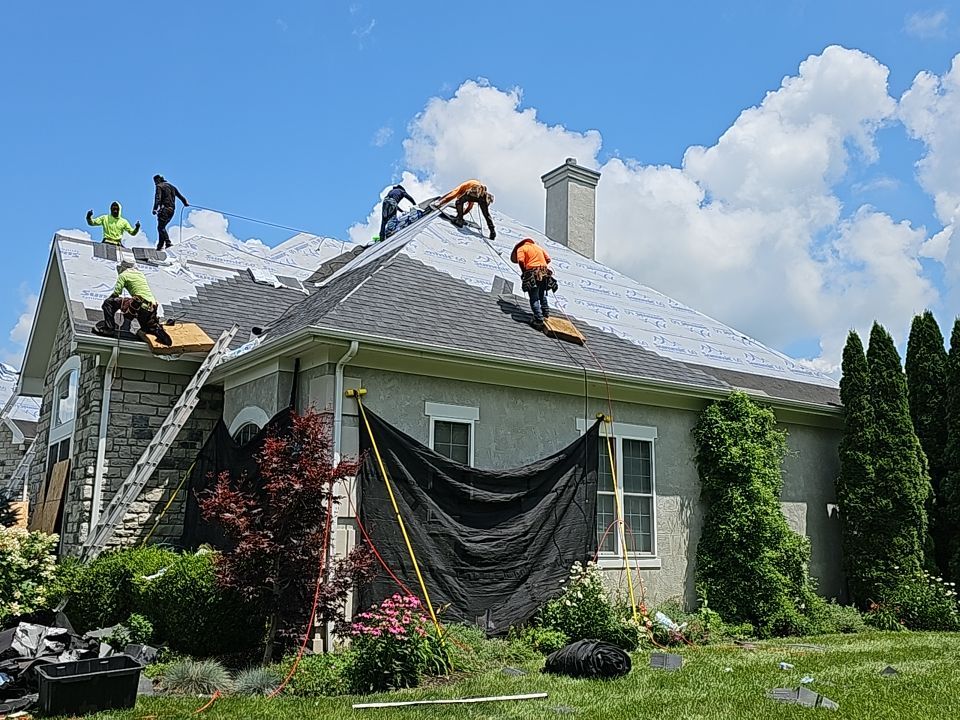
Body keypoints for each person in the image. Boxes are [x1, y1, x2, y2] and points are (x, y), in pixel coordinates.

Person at [93, 260, 172, 346]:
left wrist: (113, 305)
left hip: (139, 304)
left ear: (123, 267)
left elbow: (116, 292)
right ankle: (159, 332)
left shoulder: (123, 275)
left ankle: (109, 328)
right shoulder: (140, 274)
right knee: (149, 328)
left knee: (109, 303)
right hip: (151, 307)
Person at [511, 237, 557, 327]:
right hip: (544, 273)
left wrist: (524, 272)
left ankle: (539, 319)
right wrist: (540, 267)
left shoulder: (521, 248)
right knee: (542, 293)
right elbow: (548, 260)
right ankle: (545, 312)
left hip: (533, 274)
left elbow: (520, 260)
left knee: (534, 296)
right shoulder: (538, 247)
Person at [152, 175, 189, 251]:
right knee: (162, 227)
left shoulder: (159, 186)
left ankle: (168, 243)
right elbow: (180, 196)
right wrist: (185, 203)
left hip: (164, 209)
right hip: (171, 211)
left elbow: (157, 198)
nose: (155, 183)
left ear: (158, 180)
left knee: (160, 227)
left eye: (155, 181)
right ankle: (160, 246)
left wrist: (155, 208)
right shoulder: (172, 187)